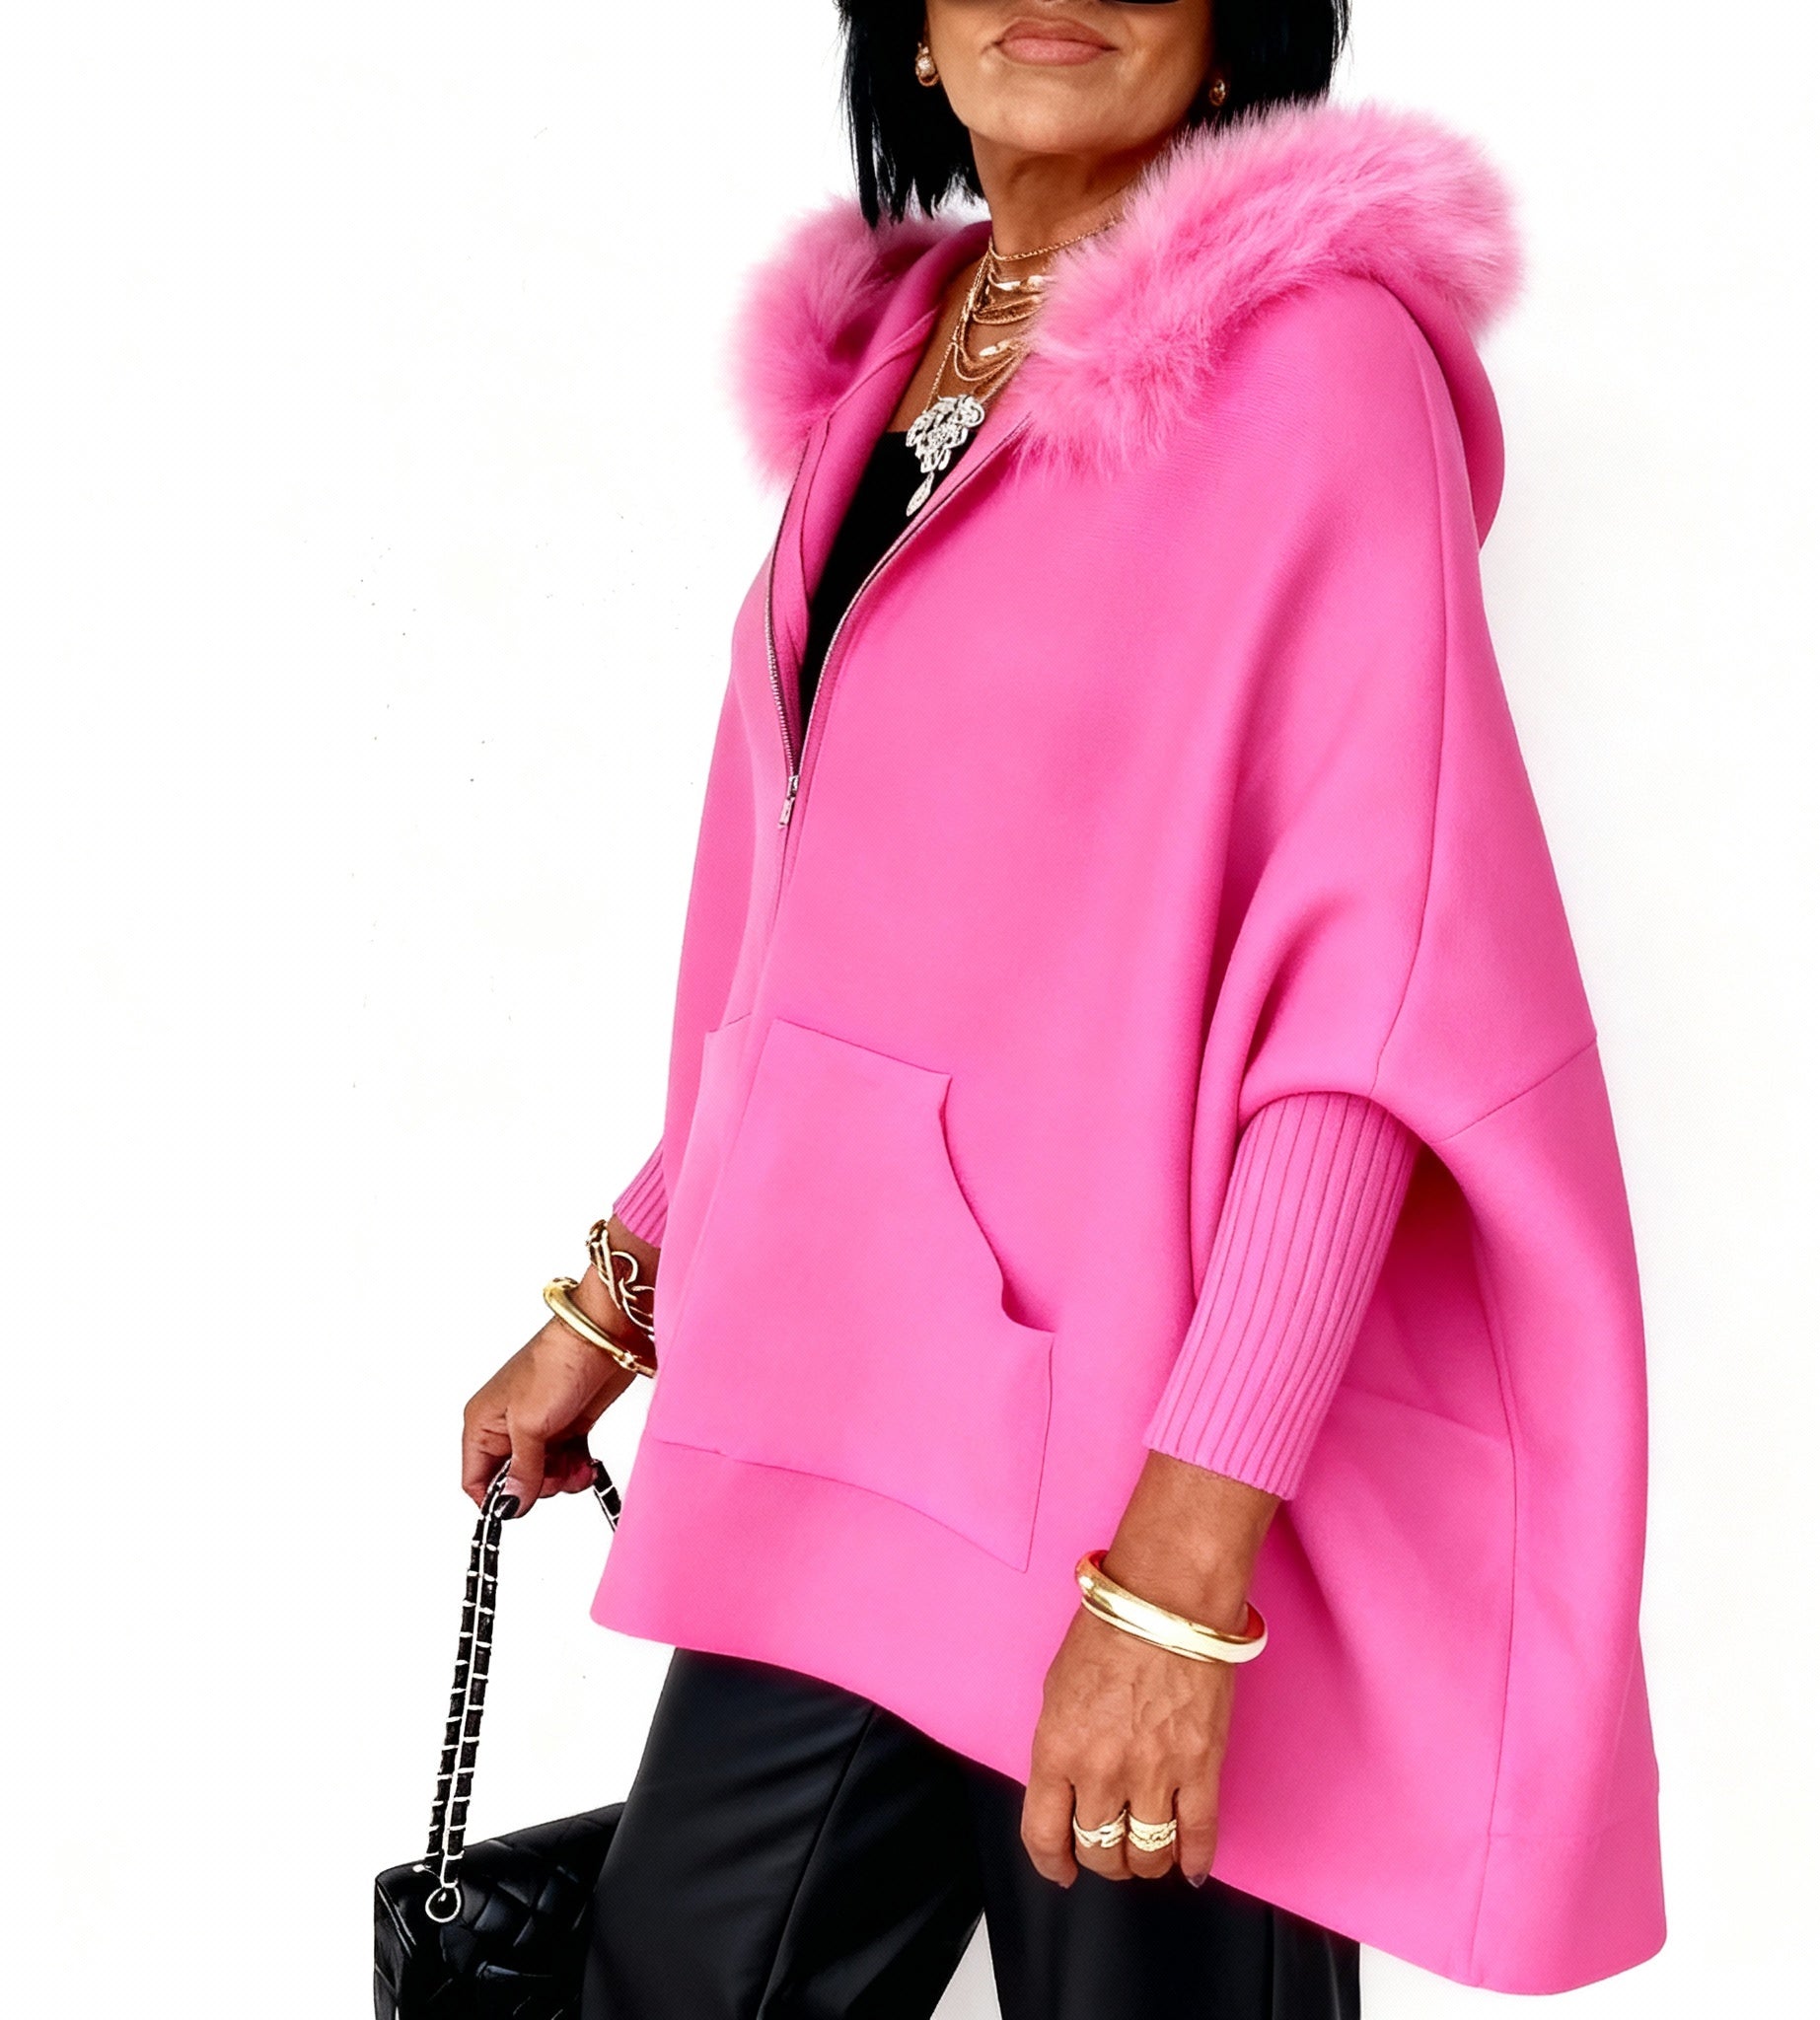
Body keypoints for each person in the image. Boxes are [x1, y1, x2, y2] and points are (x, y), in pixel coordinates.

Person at [460, 3, 1666, 2012]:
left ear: (1233, 34)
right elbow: (843, 941)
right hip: (848, 1423)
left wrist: (1181, 1581)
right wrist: (625, 1286)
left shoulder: (1312, 370)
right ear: (916, 41)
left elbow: (1369, 1013)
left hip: (1137, 1472)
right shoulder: (896, 366)